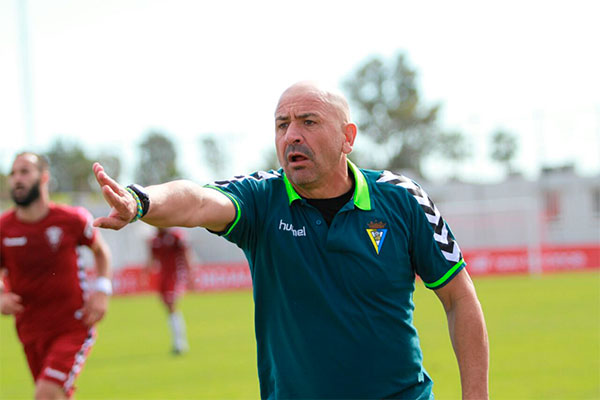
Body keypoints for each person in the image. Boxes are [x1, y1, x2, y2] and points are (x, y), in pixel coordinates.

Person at [92, 81, 489, 399]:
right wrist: (141, 201)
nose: (292, 136)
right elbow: (196, 200)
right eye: (282, 125)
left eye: (308, 122)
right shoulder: (262, 199)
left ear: (347, 137)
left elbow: (459, 297)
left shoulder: (401, 198)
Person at [0, 152, 112, 400]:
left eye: (25, 172)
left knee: (45, 395)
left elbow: (101, 252)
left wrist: (102, 290)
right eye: (13, 173)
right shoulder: (3, 228)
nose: (17, 179)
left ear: (44, 178)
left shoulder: (71, 219)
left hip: (73, 326)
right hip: (30, 331)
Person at [147, 227, 192, 354]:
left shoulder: (176, 236)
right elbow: (152, 259)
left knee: (172, 305)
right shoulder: (155, 240)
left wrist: (190, 274)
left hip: (175, 275)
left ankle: (180, 344)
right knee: (168, 306)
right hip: (163, 276)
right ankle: (178, 342)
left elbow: (186, 255)